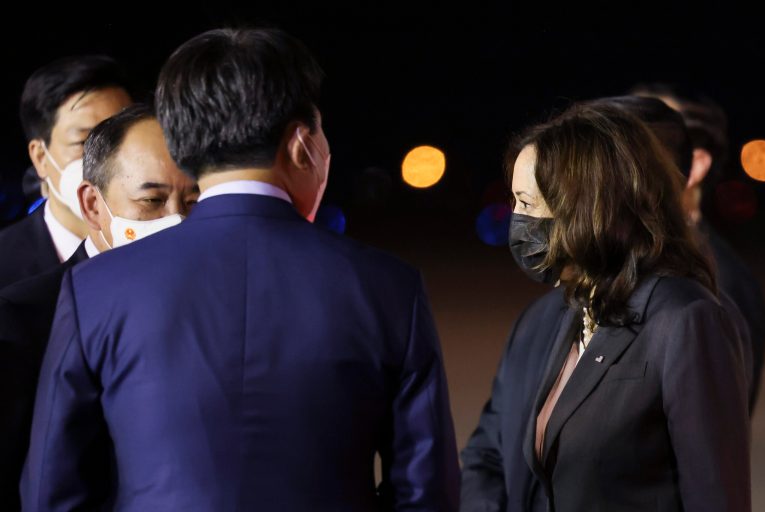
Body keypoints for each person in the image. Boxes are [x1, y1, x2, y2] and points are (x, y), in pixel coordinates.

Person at [22, 28, 459, 511]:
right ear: (301, 144)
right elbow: (427, 494)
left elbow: (51, 492)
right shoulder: (388, 286)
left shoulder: (95, 288)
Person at [461, 101, 750, 511]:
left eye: (527, 203)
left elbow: (715, 496)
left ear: (587, 207)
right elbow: (489, 455)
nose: (516, 222)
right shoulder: (557, 316)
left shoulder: (684, 319)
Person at [0, 104, 198, 510]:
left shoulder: (213, 304)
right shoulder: (23, 317)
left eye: (194, 203)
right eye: (152, 200)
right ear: (93, 205)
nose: (176, 220)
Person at [632, 83, 765, 411]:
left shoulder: (721, 282)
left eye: (642, 144)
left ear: (695, 164)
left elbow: (713, 437)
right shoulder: (629, 258)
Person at [0, 55, 132, 288]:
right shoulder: (5, 266)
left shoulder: (165, 236)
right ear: (40, 157)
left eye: (120, 138)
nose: (109, 158)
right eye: (83, 142)